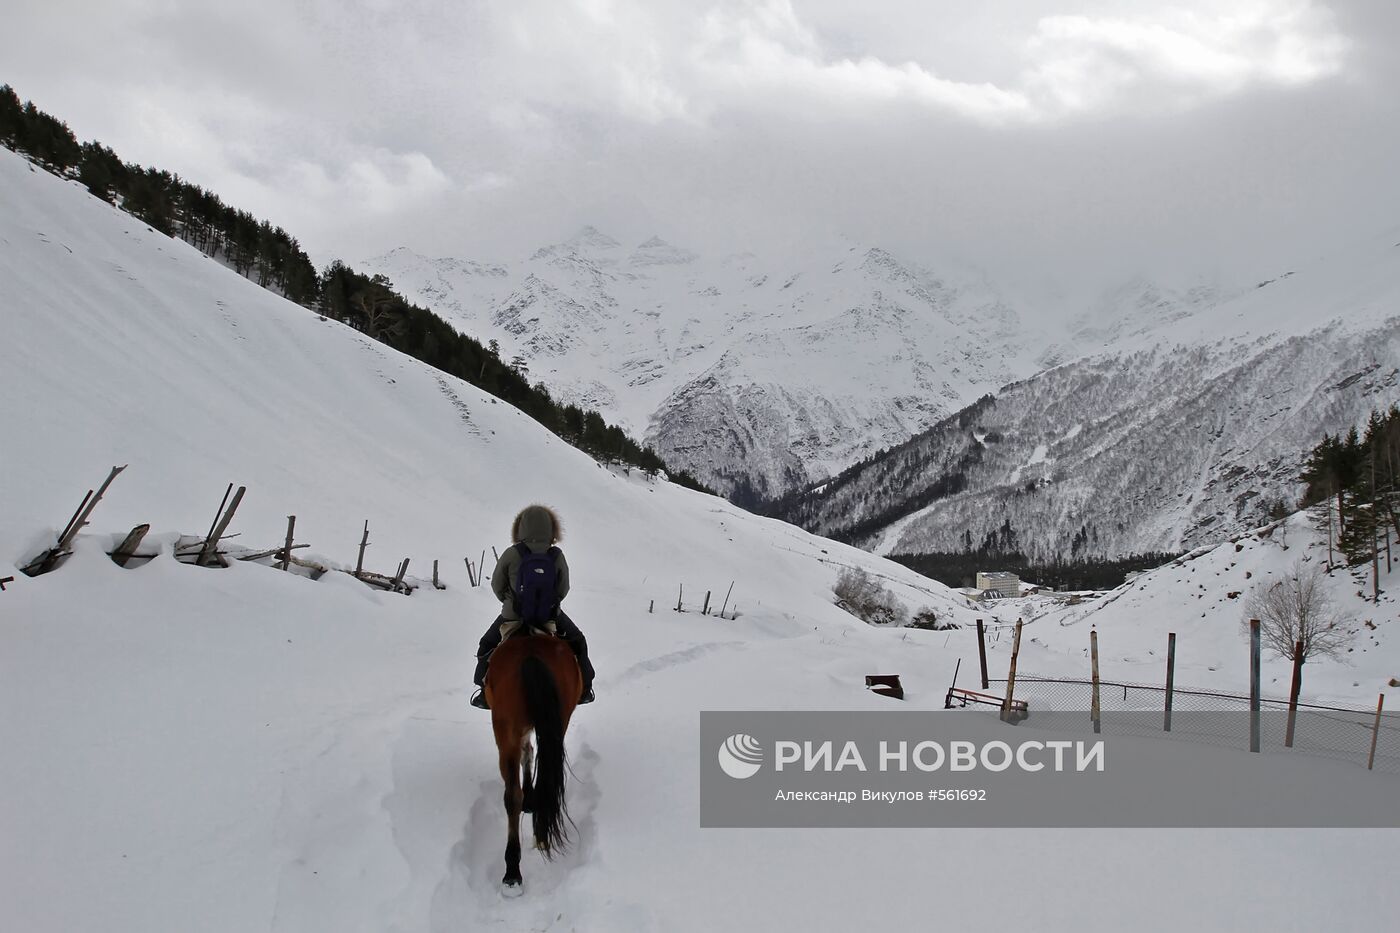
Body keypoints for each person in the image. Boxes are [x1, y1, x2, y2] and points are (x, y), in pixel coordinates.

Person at [470, 504, 595, 709]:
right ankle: (584, 689)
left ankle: (483, 692)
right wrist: (550, 604)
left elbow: (497, 585)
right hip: (549, 617)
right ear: (551, 529)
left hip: (513, 617)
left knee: (486, 643)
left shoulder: (512, 553)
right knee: (578, 640)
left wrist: (509, 603)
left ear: (520, 528)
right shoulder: (556, 555)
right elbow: (564, 588)